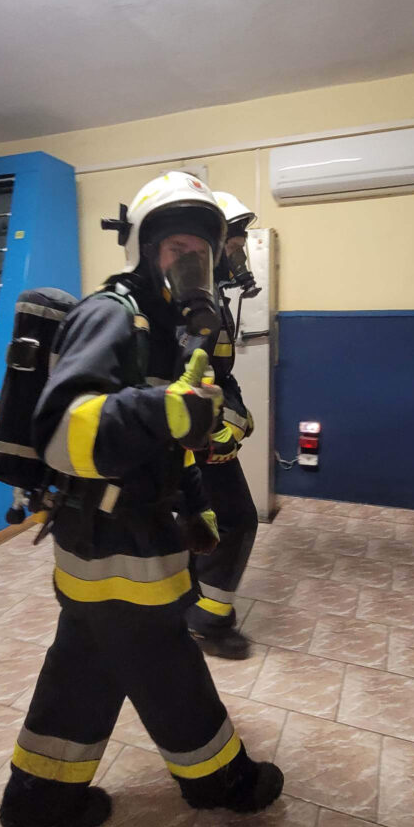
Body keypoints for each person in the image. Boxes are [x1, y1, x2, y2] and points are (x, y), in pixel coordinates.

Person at [0, 172, 283, 827]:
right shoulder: (111, 314)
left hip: (132, 531)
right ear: (145, 249)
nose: (190, 261)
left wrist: (199, 496)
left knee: (85, 664)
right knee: (164, 664)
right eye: (176, 247)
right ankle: (222, 780)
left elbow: (177, 440)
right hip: (113, 541)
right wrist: (163, 411)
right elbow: (61, 434)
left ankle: (38, 796)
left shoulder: (172, 328)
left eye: (200, 251)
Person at [183, 191, 261, 660]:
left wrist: (237, 415)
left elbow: (219, 376)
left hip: (203, 434)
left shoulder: (210, 296)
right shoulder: (192, 300)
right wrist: (222, 427)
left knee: (205, 519)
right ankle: (208, 619)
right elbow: (189, 380)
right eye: (236, 239)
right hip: (195, 439)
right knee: (236, 519)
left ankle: (193, 608)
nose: (242, 249)